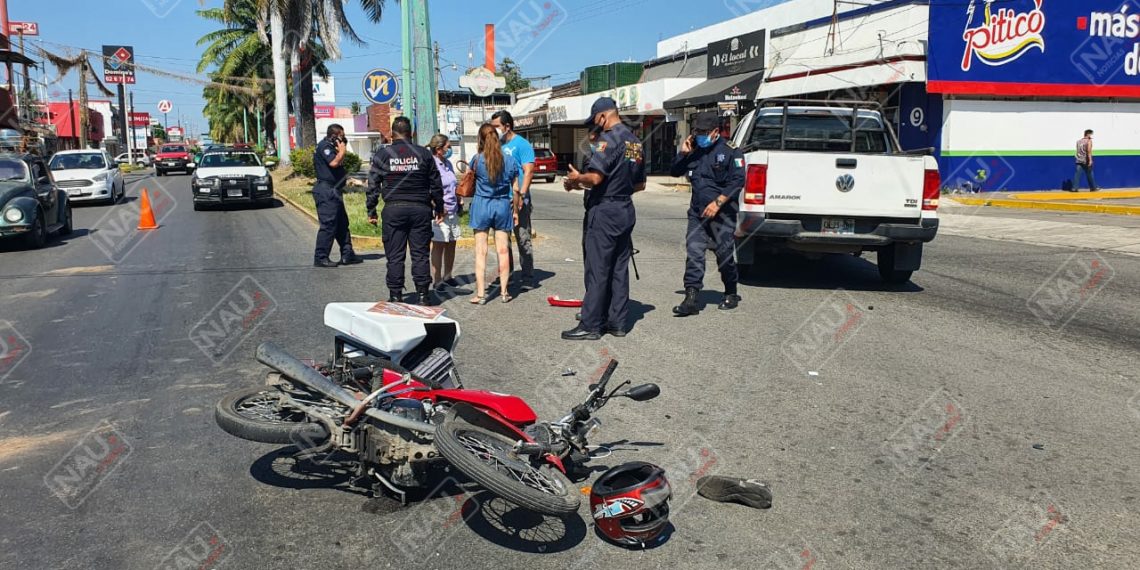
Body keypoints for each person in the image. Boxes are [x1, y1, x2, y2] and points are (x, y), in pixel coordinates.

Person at [561, 97, 645, 340]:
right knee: (619, 267)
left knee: (598, 268)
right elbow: (639, 184)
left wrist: (578, 178)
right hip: (625, 209)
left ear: (603, 117)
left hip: (605, 211)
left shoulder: (607, 141)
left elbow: (595, 179)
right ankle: (617, 323)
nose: (595, 126)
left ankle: (591, 324)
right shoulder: (635, 142)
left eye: (595, 121)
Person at [670, 111, 744, 316]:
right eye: (697, 131)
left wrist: (718, 202)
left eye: (704, 132)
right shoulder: (694, 150)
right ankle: (691, 298)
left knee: (724, 255)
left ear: (716, 132)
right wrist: (683, 154)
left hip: (723, 215)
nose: (699, 135)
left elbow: (737, 181)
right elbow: (674, 172)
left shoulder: (731, 151)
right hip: (697, 214)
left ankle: (731, 291)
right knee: (694, 252)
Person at [366, 117, 445, 305]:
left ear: (392, 134)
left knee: (394, 256)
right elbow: (436, 184)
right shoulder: (424, 154)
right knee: (420, 254)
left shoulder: (383, 155)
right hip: (420, 209)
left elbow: (373, 185)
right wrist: (440, 208)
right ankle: (423, 295)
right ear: (412, 133)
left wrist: (371, 210)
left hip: (393, 210)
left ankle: (395, 295)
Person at [468, 124, 520, 304]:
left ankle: (481, 294)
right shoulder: (510, 160)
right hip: (502, 205)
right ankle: (504, 293)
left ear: (480, 139)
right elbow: (516, 189)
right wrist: (516, 211)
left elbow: (469, 180)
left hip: (482, 204)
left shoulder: (476, 160)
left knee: (481, 252)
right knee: (503, 250)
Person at [490, 110, 537, 289]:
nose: (494, 130)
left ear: (506, 126)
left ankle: (527, 277)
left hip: (518, 199)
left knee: (522, 238)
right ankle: (506, 275)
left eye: (496, 127)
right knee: (502, 239)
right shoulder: (496, 145)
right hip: (500, 200)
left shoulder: (522, 144)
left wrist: (522, 196)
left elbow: (529, 171)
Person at [312, 124, 362, 268]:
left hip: (334, 190)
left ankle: (347, 254)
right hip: (326, 190)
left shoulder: (331, 146)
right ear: (335, 136)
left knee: (342, 224)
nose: (343, 138)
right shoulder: (324, 146)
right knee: (328, 225)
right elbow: (334, 163)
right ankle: (321, 257)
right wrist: (342, 151)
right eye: (342, 135)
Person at [427, 134, 461, 289]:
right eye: (448, 146)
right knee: (439, 245)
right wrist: (438, 207)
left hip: (453, 209)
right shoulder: (431, 164)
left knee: (451, 243)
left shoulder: (448, 163)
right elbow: (429, 189)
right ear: (439, 149)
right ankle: (437, 279)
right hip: (439, 212)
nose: (450, 149)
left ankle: (448, 275)